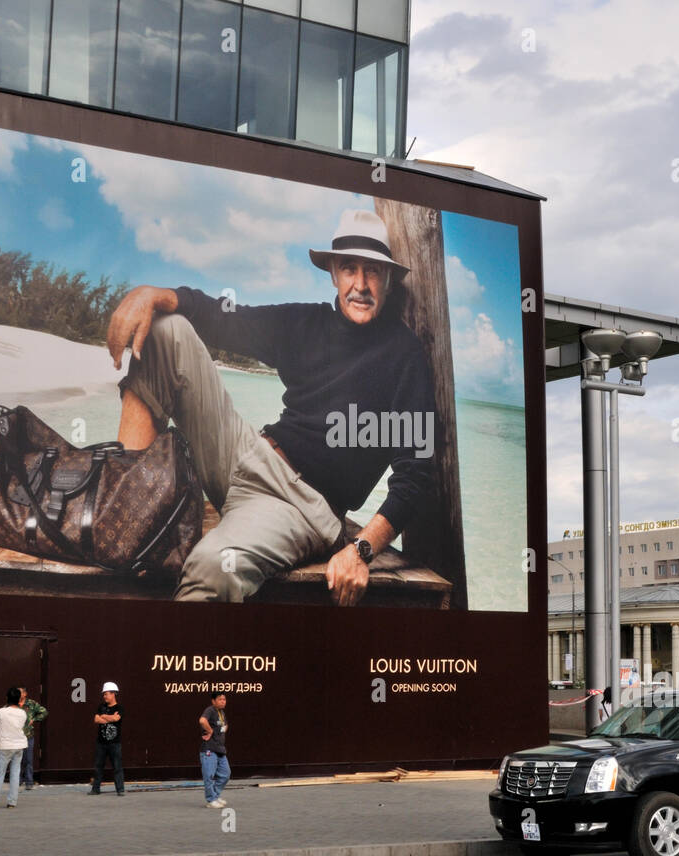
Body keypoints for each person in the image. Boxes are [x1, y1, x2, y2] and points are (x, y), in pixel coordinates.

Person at [107, 209, 437, 606]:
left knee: (215, 566)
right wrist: (152, 294)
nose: (361, 284)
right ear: (333, 274)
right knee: (167, 331)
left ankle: (175, 661)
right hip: (247, 454)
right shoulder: (305, 323)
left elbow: (416, 474)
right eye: (350, 269)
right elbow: (225, 319)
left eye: (373, 272)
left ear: (387, 280)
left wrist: (361, 549)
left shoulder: (404, 356)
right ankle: (122, 510)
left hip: (298, 507)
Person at [0, 687, 26, 809]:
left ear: (7, 698)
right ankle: (12, 802)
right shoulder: (22, 713)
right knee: (15, 773)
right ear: (19, 699)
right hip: (19, 745)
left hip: (6, 746)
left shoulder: (2, 711)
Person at [89, 681, 124, 796]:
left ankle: (120, 789)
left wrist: (104, 717)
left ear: (113, 694)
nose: (104, 696)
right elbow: (96, 719)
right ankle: (96, 789)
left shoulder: (119, 708)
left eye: (106, 694)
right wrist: (108, 717)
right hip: (101, 743)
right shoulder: (101, 707)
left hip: (114, 743)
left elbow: (116, 719)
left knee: (117, 766)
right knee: (98, 766)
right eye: (104, 694)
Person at [198, 691, 230, 809]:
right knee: (209, 776)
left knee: (225, 774)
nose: (223, 701)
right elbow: (202, 720)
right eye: (220, 699)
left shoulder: (221, 712)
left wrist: (221, 730)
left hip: (220, 749)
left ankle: (215, 796)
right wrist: (210, 731)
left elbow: (225, 725)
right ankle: (211, 800)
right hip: (209, 750)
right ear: (213, 701)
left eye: (224, 699)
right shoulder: (210, 710)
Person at [18, 686, 47, 791]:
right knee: (18, 759)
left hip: (28, 735)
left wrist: (34, 719)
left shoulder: (31, 704)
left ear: (25, 694)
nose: (18, 695)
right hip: (16, 736)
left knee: (29, 759)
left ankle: (29, 781)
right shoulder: (14, 704)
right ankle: (18, 780)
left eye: (20, 692)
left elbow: (44, 712)